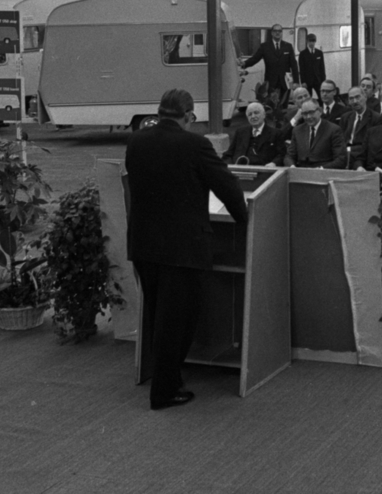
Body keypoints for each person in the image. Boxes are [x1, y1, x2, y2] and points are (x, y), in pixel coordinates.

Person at [126, 89, 248, 410]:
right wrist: (245, 221)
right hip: (183, 247)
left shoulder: (136, 141)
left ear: (159, 111)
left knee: (157, 315)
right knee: (178, 321)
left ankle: (164, 378)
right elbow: (227, 187)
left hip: (144, 244)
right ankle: (164, 391)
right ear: (189, 116)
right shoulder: (195, 145)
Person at [241, 24, 298, 106]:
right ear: (272, 33)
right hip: (271, 82)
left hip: (286, 81)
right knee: (271, 106)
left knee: (284, 105)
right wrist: (244, 64)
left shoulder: (288, 46)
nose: (277, 33)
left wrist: (296, 81)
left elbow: (294, 64)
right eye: (275, 31)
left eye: (279, 31)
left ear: (281, 33)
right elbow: (255, 58)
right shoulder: (265, 46)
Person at [285, 99, 346, 168]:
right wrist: (292, 166)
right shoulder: (297, 130)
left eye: (311, 112)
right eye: (305, 114)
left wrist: (321, 169)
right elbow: (289, 156)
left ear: (320, 111)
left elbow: (341, 159)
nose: (308, 117)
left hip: (324, 171)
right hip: (301, 171)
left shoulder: (333, 130)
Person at [222, 102, 282, 166]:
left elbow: (281, 155)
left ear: (264, 115)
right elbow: (228, 155)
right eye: (250, 114)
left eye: (256, 113)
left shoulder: (275, 133)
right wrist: (230, 167)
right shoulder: (240, 132)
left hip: (263, 169)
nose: (253, 116)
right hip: (240, 168)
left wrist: (274, 163)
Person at [338, 86, 378, 169]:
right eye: (351, 99)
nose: (355, 101)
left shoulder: (375, 118)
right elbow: (340, 140)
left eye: (357, 97)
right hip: (345, 154)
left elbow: (373, 145)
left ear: (365, 97)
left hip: (362, 155)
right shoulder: (345, 117)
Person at [298, 33, 326, 98]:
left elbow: (322, 68)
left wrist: (323, 81)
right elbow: (302, 69)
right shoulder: (302, 54)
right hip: (307, 81)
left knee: (322, 97)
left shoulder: (319, 53)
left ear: (315, 42)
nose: (311, 43)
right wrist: (303, 82)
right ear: (307, 41)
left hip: (318, 80)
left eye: (313, 41)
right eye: (310, 41)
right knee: (308, 98)